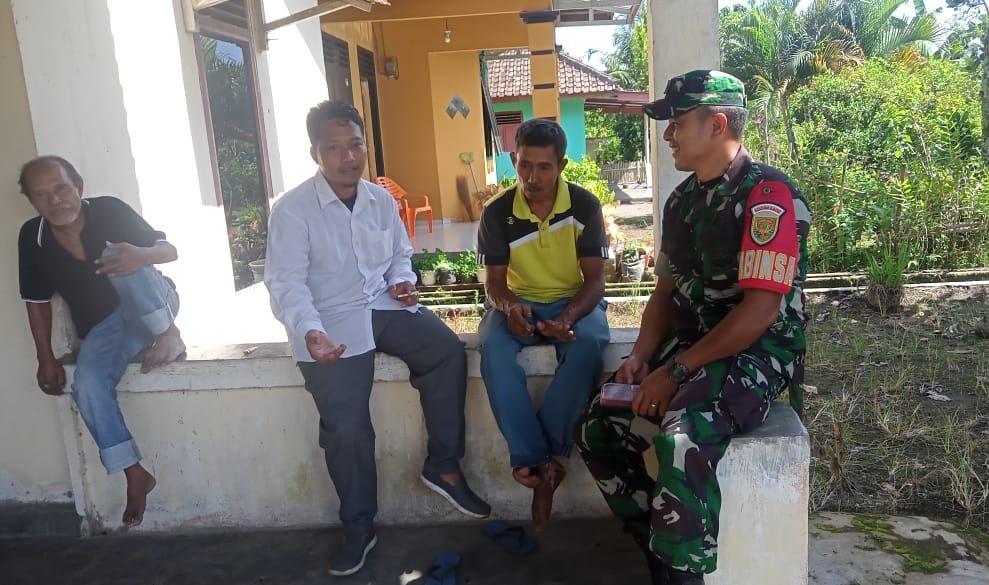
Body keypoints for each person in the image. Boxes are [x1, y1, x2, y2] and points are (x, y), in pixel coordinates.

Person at [576, 70, 812, 585]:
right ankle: (657, 552)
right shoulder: (682, 202)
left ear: (717, 125)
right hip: (698, 345)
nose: (668, 135)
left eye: (678, 123)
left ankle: (686, 572)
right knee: (597, 426)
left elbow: (760, 312)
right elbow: (664, 293)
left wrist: (676, 372)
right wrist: (642, 358)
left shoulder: (767, 196)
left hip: (759, 351)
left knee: (683, 438)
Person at [265, 100, 490, 577]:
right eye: (334, 148)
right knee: (346, 426)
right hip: (329, 323)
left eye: (356, 144)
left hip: (384, 307)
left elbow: (399, 256)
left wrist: (402, 282)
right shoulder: (293, 211)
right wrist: (310, 331)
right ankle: (359, 525)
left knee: (447, 353)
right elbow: (286, 283)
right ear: (315, 153)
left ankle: (443, 465)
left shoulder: (380, 201)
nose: (349, 157)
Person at [17, 156, 186, 527]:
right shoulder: (33, 237)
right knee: (88, 385)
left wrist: (141, 255)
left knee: (116, 253)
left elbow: (169, 250)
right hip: (110, 326)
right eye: (41, 195)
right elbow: (36, 301)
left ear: (78, 186)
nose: (55, 200)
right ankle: (134, 473)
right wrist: (45, 358)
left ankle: (169, 335)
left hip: (152, 303)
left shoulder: (108, 210)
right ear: (31, 201)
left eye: (61, 188)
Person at [477, 118, 610, 533]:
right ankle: (535, 460)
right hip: (518, 302)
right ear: (514, 160)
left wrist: (568, 318)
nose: (532, 177)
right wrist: (511, 309)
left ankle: (547, 463)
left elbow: (595, 281)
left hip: (573, 300)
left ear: (562, 165)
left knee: (588, 344)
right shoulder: (497, 211)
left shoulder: (584, 205)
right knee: (494, 351)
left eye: (543, 167)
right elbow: (494, 283)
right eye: (524, 165)